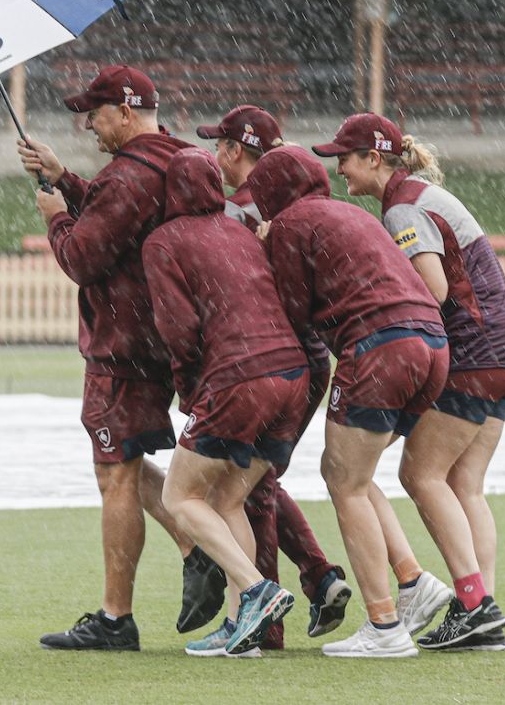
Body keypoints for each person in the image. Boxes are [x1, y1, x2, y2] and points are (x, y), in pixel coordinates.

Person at [248, 146, 505, 658]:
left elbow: (296, 313)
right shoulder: (353, 213)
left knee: (342, 480)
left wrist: (267, 248)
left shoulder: (291, 224)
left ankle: (385, 626)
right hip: (434, 347)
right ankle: (423, 586)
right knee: (358, 475)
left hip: (379, 346)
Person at [314, 113, 505, 652]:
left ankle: (476, 604)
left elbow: (431, 288)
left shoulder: (402, 207)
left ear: (374, 159)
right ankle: (478, 611)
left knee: (420, 474)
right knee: (464, 486)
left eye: (345, 157)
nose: (338, 167)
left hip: (476, 349)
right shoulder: (419, 195)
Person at [21, 64, 197, 651]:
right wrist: (64, 177)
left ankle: (116, 617)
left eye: (94, 115)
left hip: (121, 344)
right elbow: (121, 217)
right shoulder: (174, 158)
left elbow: (83, 257)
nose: (89, 127)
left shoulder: (127, 176)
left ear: (125, 112)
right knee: (129, 461)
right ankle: (203, 546)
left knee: (113, 469)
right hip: (161, 337)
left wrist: (55, 220)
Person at [189, 105, 361, 647]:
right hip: (305, 356)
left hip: (273, 357)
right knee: (259, 479)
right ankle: (318, 575)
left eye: (220, 145)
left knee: (251, 486)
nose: (217, 154)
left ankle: (268, 624)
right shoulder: (272, 208)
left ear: (236, 152)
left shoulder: (239, 213)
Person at [144, 147, 309, 657]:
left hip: (238, 377)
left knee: (179, 497)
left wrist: (188, 387)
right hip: (294, 375)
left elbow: (179, 328)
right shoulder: (240, 230)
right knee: (228, 499)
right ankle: (244, 624)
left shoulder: (163, 242)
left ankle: (256, 591)